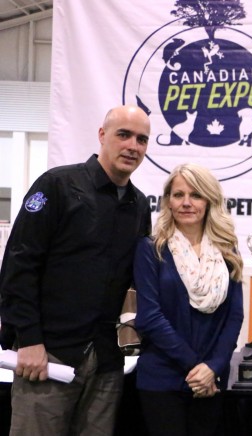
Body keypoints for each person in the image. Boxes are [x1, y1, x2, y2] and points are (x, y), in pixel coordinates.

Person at [0, 105, 152, 435]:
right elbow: (18, 266)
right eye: (123, 135)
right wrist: (28, 339)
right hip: (46, 357)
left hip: (106, 365)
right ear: (102, 135)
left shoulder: (139, 206)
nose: (133, 146)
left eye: (142, 139)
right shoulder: (56, 185)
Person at [133, 163, 244, 436]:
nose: (186, 203)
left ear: (209, 201)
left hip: (211, 382)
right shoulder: (150, 249)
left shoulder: (227, 249)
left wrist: (214, 367)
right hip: (162, 379)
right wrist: (197, 368)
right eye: (178, 195)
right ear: (168, 202)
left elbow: (235, 316)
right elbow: (150, 317)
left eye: (195, 195)